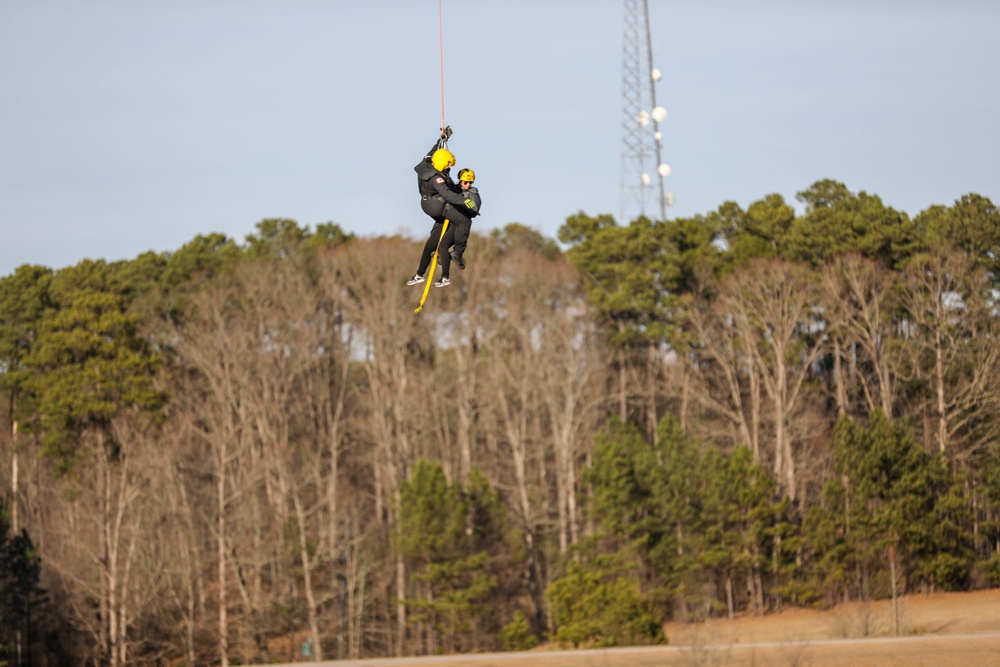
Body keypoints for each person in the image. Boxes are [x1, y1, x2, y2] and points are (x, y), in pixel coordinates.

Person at [407, 127, 475, 288]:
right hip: (437, 206)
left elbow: (432, 153)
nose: (447, 169)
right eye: (447, 167)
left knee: (430, 246)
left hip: (426, 205)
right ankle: (457, 253)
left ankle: (419, 275)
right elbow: (447, 194)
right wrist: (464, 201)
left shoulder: (425, 166)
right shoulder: (437, 179)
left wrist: (442, 140)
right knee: (465, 221)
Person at [440, 167, 480, 271]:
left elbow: (474, 209)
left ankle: (457, 253)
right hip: (450, 219)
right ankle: (440, 252)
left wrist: (464, 203)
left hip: (461, 219)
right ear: (461, 181)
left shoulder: (473, 193)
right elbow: (447, 188)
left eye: (470, 182)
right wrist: (445, 174)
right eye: (466, 182)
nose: (468, 185)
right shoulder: (455, 188)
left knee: (465, 224)